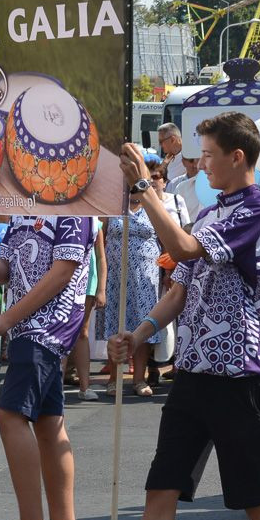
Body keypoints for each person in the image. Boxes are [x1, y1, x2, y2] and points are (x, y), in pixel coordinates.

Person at [79, 112, 260, 520]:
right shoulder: (208, 211)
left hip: (237, 376)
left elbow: (180, 247)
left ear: (236, 157)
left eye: (207, 155)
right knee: (161, 489)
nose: (200, 164)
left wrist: (144, 187)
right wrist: (139, 334)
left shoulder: (258, 209)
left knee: (255, 497)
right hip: (192, 375)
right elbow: (181, 287)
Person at [0, 214, 95, 520]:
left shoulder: (75, 207)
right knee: (48, 423)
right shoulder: (21, 207)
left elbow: (63, 271)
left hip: (47, 326)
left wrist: (7, 319)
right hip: (25, 327)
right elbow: (6, 272)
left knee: (9, 415)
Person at [96, 163, 165, 398]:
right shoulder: (112, 206)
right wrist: (101, 282)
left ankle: (138, 380)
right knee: (116, 325)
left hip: (146, 278)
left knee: (143, 327)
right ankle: (114, 378)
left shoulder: (154, 206)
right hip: (116, 277)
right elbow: (99, 242)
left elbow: (166, 239)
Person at [68, 220, 106, 400]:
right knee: (58, 330)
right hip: (63, 279)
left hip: (88, 282)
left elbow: (100, 257)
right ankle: (52, 385)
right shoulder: (62, 218)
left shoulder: (95, 223)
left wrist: (101, 289)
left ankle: (85, 387)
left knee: (82, 332)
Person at [163, 123, 204, 223]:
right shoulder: (174, 185)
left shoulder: (211, 184)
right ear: (183, 162)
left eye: (197, 160)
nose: (195, 165)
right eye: (190, 160)